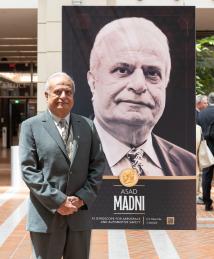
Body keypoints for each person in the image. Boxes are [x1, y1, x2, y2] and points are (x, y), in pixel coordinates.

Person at [87, 17, 195, 176]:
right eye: (122, 70)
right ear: (93, 81)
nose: (139, 85)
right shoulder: (64, 161)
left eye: (152, 73)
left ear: (166, 83)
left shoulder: (188, 165)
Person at [19, 72, 105, 259]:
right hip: (46, 216)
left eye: (68, 92)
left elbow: (97, 166)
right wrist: (58, 201)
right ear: (46, 95)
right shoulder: (30, 126)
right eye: (58, 91)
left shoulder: (88, 126)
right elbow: (28, 170)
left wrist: (81, 198)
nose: (63, 97)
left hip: (78, 216)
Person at [198, 92, 214, 211]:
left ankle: (207, 202)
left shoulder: (201, 114)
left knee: (206, 175)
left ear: (208, 101)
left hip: (206, 148)